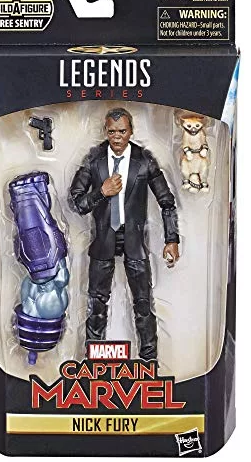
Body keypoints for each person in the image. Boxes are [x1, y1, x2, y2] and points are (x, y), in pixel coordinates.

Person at [69, 108, 180, 360]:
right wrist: (101, 192)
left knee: (143, 305)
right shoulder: (94, 159)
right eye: (112, 132)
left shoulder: (145, 160)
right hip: (103, 240)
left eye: (122, 131)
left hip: (135, 240)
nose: (117, 137)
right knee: (96, 306)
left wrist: (171, 239)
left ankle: (149, 361)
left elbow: (167, 201)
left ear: (131, 131)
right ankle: (93, 361)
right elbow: (76, 203)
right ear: (105, 131)